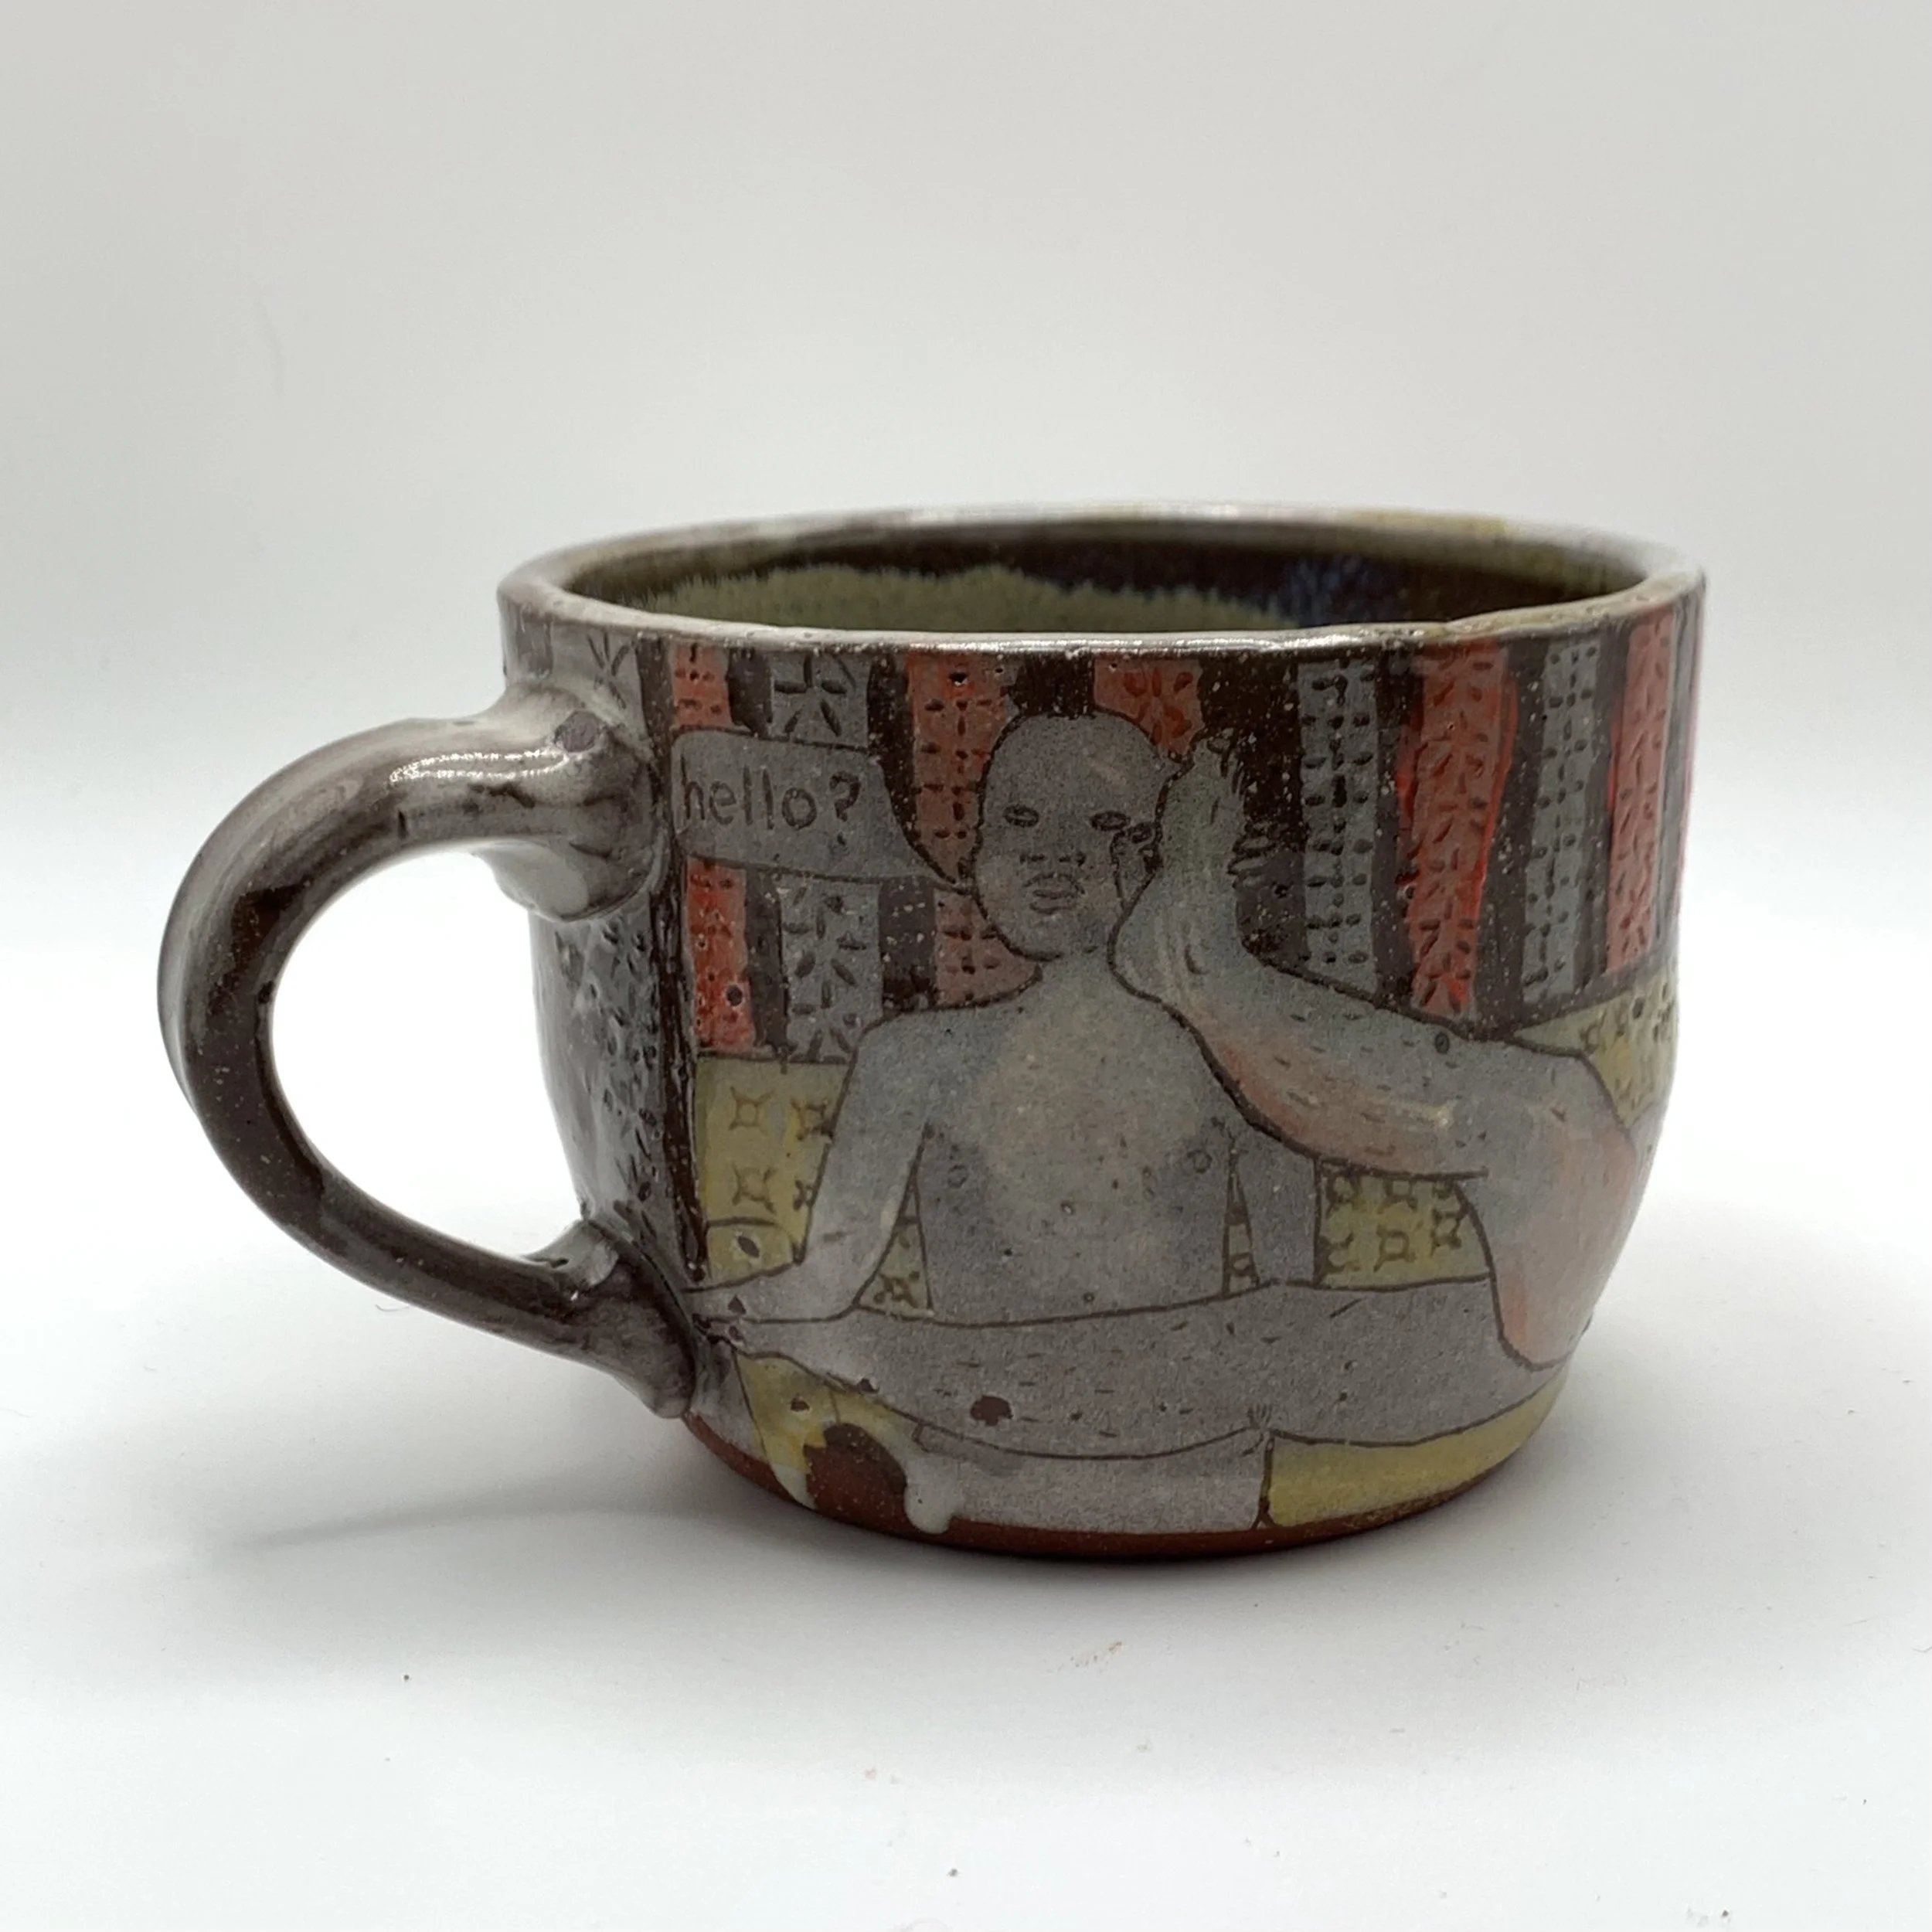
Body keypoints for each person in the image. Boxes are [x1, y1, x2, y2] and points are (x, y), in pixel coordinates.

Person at [691, 715, 1634, 1528]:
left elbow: (1285, 1289)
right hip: (966, 1459)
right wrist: (695, 1312)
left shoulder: (1234, 1061)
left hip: (1204, 1458)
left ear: (1152, 859)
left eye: (1105, 827)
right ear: (974, 857)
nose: (1055, 857)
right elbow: (827, 1279)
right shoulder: (911, 1059)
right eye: (1020, 821)